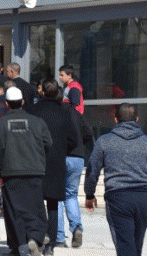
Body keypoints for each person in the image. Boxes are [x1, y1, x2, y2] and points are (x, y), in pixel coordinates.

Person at [0, 87, 52, 256]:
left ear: (7, 104)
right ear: (23, 102)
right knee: (36, 207)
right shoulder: (37, 122)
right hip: (34, 171)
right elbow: (48, 143)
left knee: (14, 211)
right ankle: (36, 237)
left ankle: (20, 246)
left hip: (10, 172)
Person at [85, 103, 147, 256]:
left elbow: (92, 169)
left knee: (125, 245)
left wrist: (89, 195)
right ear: (137, 119)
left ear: (115, 119)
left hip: (118, 198)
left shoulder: (105, 141)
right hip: (143, 197)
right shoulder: (145, 142)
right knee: (136, 245)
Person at [29, 79, 78, 256]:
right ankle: (50, 245)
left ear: (42, 92)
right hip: (56, 162)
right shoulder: (64, 112)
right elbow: (74, 140)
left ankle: (36, 238)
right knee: (53, 204)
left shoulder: (32, 110)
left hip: (34, 161)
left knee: (35, 202)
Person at [56, 100, 93, 248]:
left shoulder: (56, 113)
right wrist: (78, 143)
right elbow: (88, 134)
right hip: (77, 157)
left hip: (60, 157)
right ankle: (76, 227)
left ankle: (59, 237)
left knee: (57, 196)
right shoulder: (77, 114)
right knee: (71, 195)